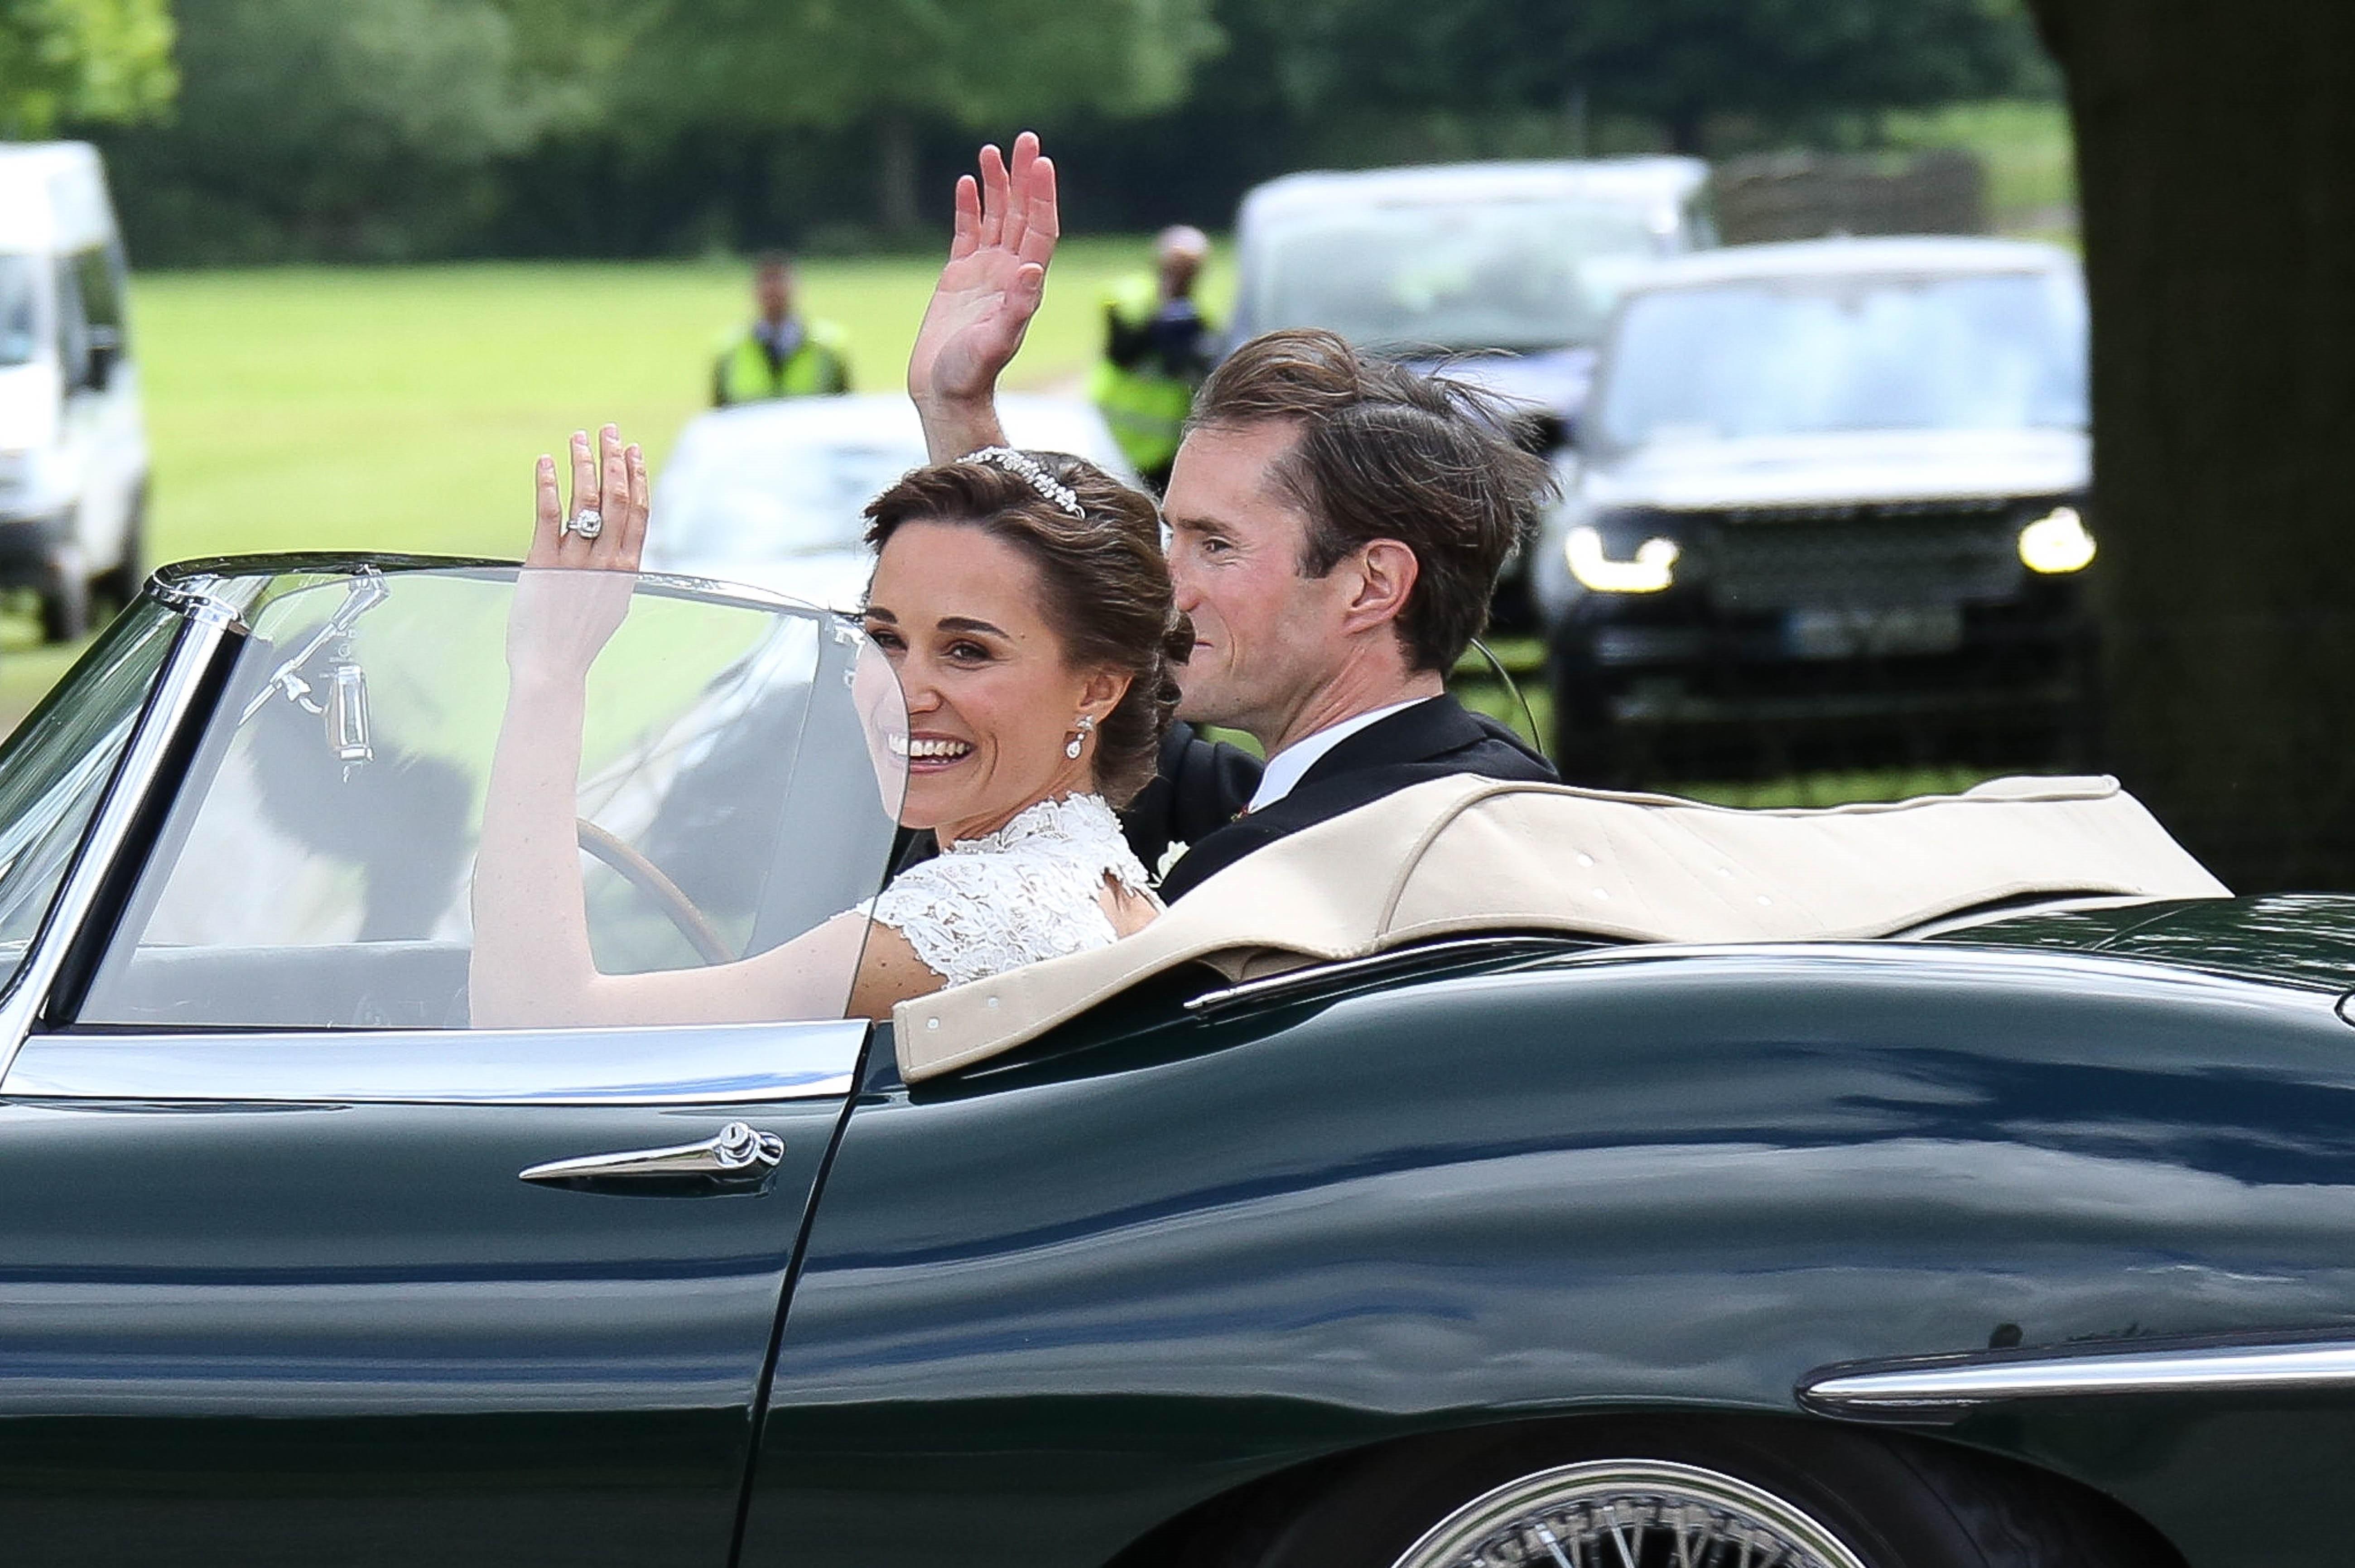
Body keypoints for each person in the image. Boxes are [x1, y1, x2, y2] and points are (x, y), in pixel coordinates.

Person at [907, 134, 1559, 902]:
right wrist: (957, 412)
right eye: (1168, 536)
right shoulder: (1435, 788)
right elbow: (1088, 737)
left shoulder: (1326, 862)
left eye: (1214, 544)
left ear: (1371, 585)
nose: (1165, 588)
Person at [469, 424, 1187, 1027]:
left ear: (1096, 687)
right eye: (885, 638)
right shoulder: (1102, 883)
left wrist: (548, 671)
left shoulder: (978, 917)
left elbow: (534, 1020)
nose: (907, 693)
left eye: (967, 651)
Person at [1088, 224, 1216, 490]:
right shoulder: (1128, 299)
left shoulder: (1196, 318)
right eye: (1176, 268)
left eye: (1190, 271)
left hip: (1162, 449)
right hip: (1114, 434)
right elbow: (1121, 353)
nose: (1183, 278)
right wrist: (1158, 324)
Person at [712, 252, 852, 405]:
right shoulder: (729, 350)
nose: (773, 289)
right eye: (767, 281)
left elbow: (845, 413)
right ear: (753, 290)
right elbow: (718, 416)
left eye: (780, 280)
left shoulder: (828, 347)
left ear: (796, 288)